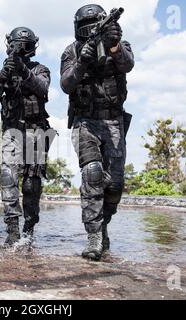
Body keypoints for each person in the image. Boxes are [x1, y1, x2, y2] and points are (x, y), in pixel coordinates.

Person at [60, 4, 134, 261]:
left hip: (113, 122)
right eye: (86, 26)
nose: (91, 30)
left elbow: (128, 65)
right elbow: (67, 84)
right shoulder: (70, 51)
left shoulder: (119, 43)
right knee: (92, 174)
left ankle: (102, 226)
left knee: (114, 185)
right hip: (85, 123)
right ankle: (93, 237)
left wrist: (114, 46)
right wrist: (82, 62)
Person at [0, 27, 53, 245]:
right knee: (8, 178)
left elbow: (42, 88)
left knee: (32, 185)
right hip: (12, 132)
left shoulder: (41, 69)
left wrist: (23, 70)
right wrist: (4, 76)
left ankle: (29, 229)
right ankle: (13, 230)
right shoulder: (4, 71)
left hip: (36, 131)